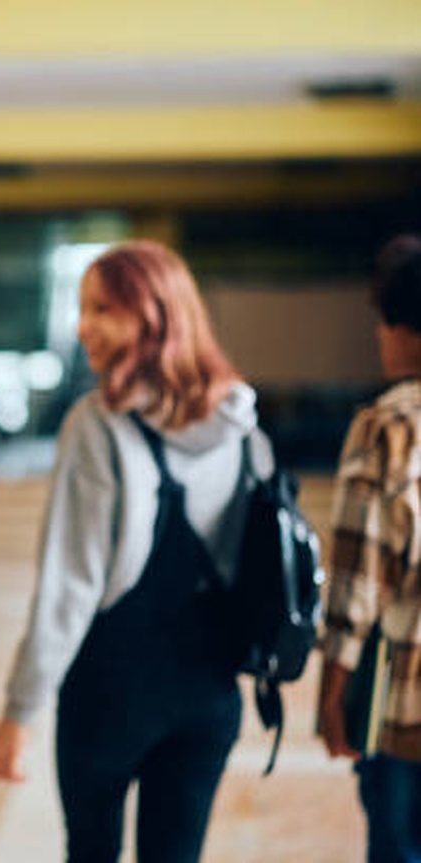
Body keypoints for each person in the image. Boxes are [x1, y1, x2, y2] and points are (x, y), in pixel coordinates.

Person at [0, 240, 261, 862]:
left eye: (102, 309)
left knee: (91, 852)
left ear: (153, 315)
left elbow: (70, 584)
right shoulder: (241, 423)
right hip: (210, 694)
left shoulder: (98, 424)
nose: (83, 326)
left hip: (111, 693)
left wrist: (19, 712)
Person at [316, 234, 421, 863]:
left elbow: (360, 576)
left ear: (396, 325)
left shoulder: (388, 425)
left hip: (405, 709)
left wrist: (334, 692)